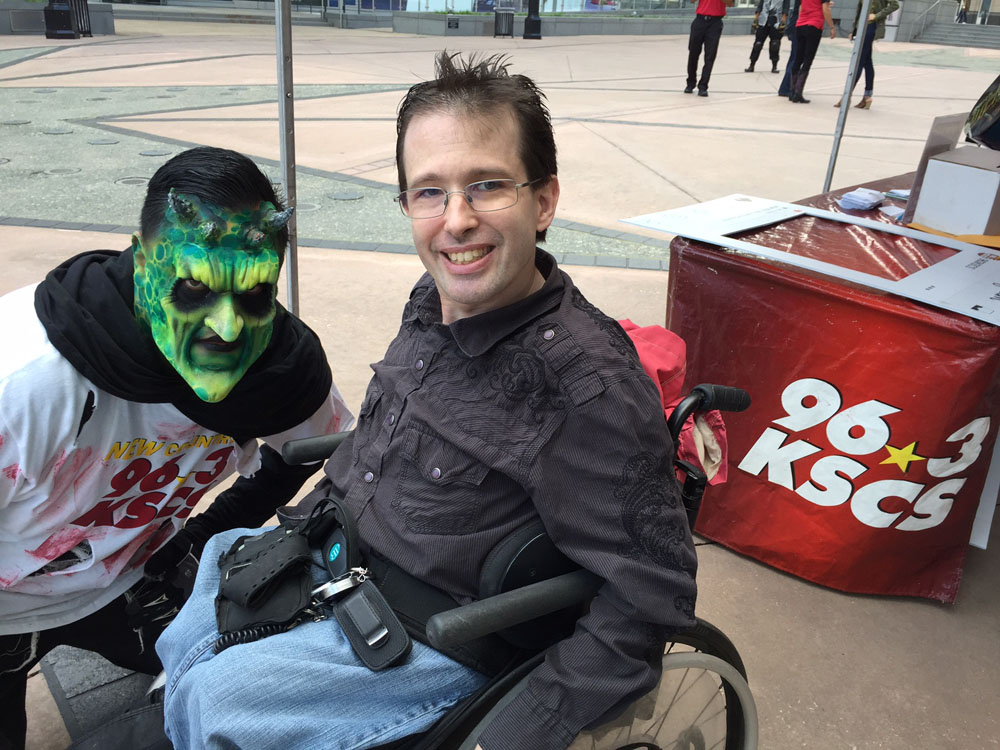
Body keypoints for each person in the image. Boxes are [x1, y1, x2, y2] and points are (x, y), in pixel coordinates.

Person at [157, 52, 698, 750]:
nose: (457, 220)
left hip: (440, 633)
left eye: (487, 186)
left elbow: (652, 595)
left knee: (222, 702)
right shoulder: (430, 300)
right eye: (429, 192)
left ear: (544, 201)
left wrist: (518, 732)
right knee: (199, 604)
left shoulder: (585, 385)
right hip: (339, 559)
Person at [0, 146, 353, 750]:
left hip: (132, 583)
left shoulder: (282, 371)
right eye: (193, 287)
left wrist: (202, 535)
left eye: (255, 294)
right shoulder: (27, 381)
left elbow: (314, 448)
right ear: (142, 264)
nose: (227, 326)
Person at [835, 0, 899, 109]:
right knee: (867, 62)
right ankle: (867, 97)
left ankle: (846, 96)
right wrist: (855, 31)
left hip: (870, 27)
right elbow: (860, 12)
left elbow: (895, 5)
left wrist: (877, 16)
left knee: (859, 61)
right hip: (861, 27)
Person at [685, 0, 736, 96]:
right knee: (693, 53)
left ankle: (703, 86)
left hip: (715, 23)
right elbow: (692, 1)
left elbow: (730, 4)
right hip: (700, 20)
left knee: (710, 56)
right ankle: (690, 83)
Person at [788, 0, 835, 103]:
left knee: (798, 58)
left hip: (801, 25)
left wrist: (801, 19)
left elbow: (801, 7)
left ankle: (792, 91)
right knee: (807, 60)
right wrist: (832, 27)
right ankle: (798, 92)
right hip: (814, 25)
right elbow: (825, 9)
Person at [745, 0, 789, 73]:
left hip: (776, 21)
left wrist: (783, 21)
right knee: (757, 44)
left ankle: (774, 66)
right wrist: (756, 18)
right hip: (763, 21)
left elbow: (786, 8)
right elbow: (760, 5)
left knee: (775, 44)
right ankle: (751, 65)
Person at [777, 0, 802, 96]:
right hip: (798, 26)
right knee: (796, 59)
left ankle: (787, 87)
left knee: (794, 58)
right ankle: (787, 87)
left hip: (795, 26)